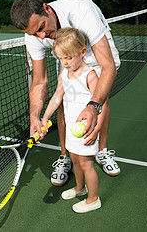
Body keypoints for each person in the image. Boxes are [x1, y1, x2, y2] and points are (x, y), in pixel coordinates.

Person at [10, 0, 121, 186]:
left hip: (96, 51)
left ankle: (101, 150)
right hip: (68, 55)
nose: (41, 37)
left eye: (41, 28)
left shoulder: (80, 9)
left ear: (47, 9)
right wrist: (35, 117)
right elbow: (39, 81)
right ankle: (65, 156)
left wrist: (93, 105)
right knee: (65, 102)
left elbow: (108, 66)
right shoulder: (33, 35)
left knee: (102, 99)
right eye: (34, 34)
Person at [41, 27, 104, 213]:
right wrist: (44, 117)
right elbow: (56, 98)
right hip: (71, 128)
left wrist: (96, 129)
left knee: (86, 164)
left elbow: (101, 105)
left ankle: (93, 199)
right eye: (60, 58)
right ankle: (80, 188)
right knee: (75, 161)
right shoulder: (64, 74)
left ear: (83, 52)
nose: (64, 62)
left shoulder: (90, 75)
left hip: (87, 130)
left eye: (68, 58)